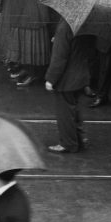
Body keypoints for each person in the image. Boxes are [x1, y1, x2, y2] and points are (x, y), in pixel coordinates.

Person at [44, 20, 92, 154]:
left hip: (67, 79)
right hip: (81, 75)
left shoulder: (64, 26)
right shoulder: (86, 23)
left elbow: (60, 57)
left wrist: (51, 78)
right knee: (74, 110)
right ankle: (79, 139)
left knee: (65, 113)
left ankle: (68, 143)